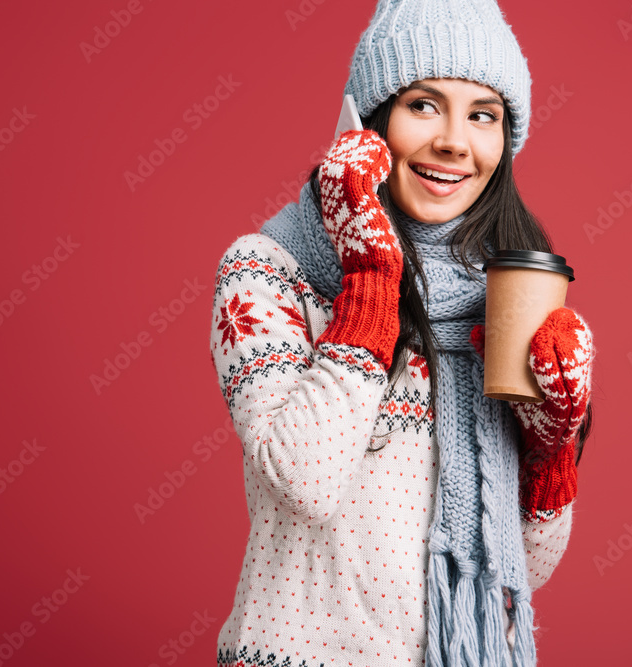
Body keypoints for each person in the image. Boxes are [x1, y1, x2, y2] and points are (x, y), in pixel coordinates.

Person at [208, 0, 596, 665]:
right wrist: (369, 272)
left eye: (483, 115)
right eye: (424, 105)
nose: (454, 140)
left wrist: (552, 447)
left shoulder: (507, 299)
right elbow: (306, 481)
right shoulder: (268, 271)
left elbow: (522, 571)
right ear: (371, 118)